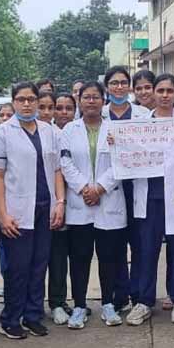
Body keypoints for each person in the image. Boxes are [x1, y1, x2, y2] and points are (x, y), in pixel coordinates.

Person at [0, 82, 66, 339]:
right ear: (13, 102)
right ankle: (11, 318)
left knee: (39, 264)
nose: (26, 104)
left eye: (31, 99)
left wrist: (60, 202)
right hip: (16, 210)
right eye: (21, 99)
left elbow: (57, 169)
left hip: (45, 207)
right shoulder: (2, 133)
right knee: (18, 268)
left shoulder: (49, 131)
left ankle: (33, 315)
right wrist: (2, 213)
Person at [59, 81, 128, 328]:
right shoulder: (70, 129)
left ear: (103, 100)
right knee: (79, 258)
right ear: (79, 100)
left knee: (109, 257)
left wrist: (99, 188)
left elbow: (121, 161)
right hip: (80, 203)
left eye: (95, 97)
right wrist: (84, 188)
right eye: (86, 97)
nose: (91, 101)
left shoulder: (114, 129)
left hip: (109, 200)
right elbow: (65, 162)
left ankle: (108, 304)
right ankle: (79, 306)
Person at [127, 73, 174, 325]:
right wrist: (117, 142)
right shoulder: (140, 124)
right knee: (146, 250)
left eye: (170, 91)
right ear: (153, 93)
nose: (165, 95)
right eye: (160, 90)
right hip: (149, 196)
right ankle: (144, 301)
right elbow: (127, 152)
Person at [103, 66, 151, 317]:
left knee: (140, 245)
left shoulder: (144, 114)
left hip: (137, 186)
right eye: (114, 83)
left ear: (129, 87)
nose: (119, 87)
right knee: (116, 246)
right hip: (109, 188)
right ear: (107, 87)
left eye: (123, 82)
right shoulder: (100, 116)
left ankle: (139, 294)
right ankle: (119, 295)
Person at [45, 93, 77, 324]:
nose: (63, 112)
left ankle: (61, 301)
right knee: (49, 257)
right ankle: (51, 302)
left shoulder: (78, 132)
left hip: (77, 203)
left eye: (68, 108)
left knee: (63, 259)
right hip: (52, 203)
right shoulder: (48, 135)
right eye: (59, 108)